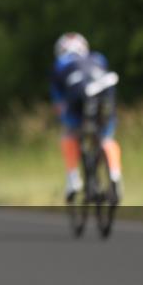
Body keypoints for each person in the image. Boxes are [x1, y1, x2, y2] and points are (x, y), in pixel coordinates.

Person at [50, 32, 122, 203]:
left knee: (69, 135)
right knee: (106, 138)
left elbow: (59, 102)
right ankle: (115, 174)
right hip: (105, 93)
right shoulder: (98, 57)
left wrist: (62, 116)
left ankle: (73, 179)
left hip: (78, 98)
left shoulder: (60, 64)